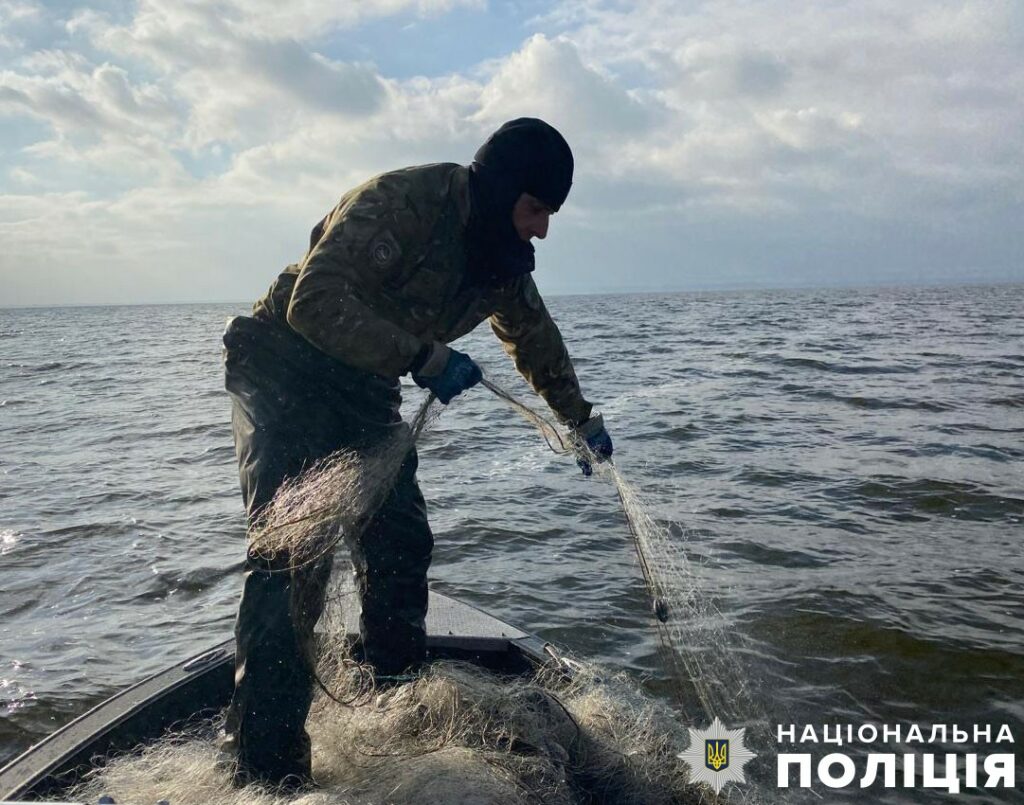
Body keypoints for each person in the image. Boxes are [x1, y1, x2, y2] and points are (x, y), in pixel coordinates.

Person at [220, 117, 614, 787]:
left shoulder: (500, 257)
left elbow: (533, 337)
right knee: (294, 557)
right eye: (535, 209)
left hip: (365, 385)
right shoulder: (403, 202)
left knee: (400, 543)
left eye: (550, 214)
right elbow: (312, 302)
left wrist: (578, 419)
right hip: (282, 363)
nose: (542, 229)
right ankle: (266, 771)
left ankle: (391, 709)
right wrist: (423, 356)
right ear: (501, 190)